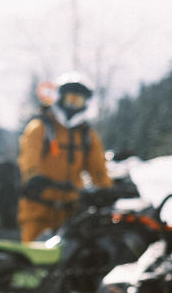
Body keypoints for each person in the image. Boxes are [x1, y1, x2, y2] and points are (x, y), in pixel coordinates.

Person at [16, 72, 113, 243]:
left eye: (78, 101)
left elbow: (98, 169)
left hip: (73, 214)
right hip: (38, 212)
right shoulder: (39, 128)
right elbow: (29, 159)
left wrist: (105, 191)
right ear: (59, 99)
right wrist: (34, 178)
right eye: (70, 99)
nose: (73, 106)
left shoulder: (87, 136)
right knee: (35, 261)